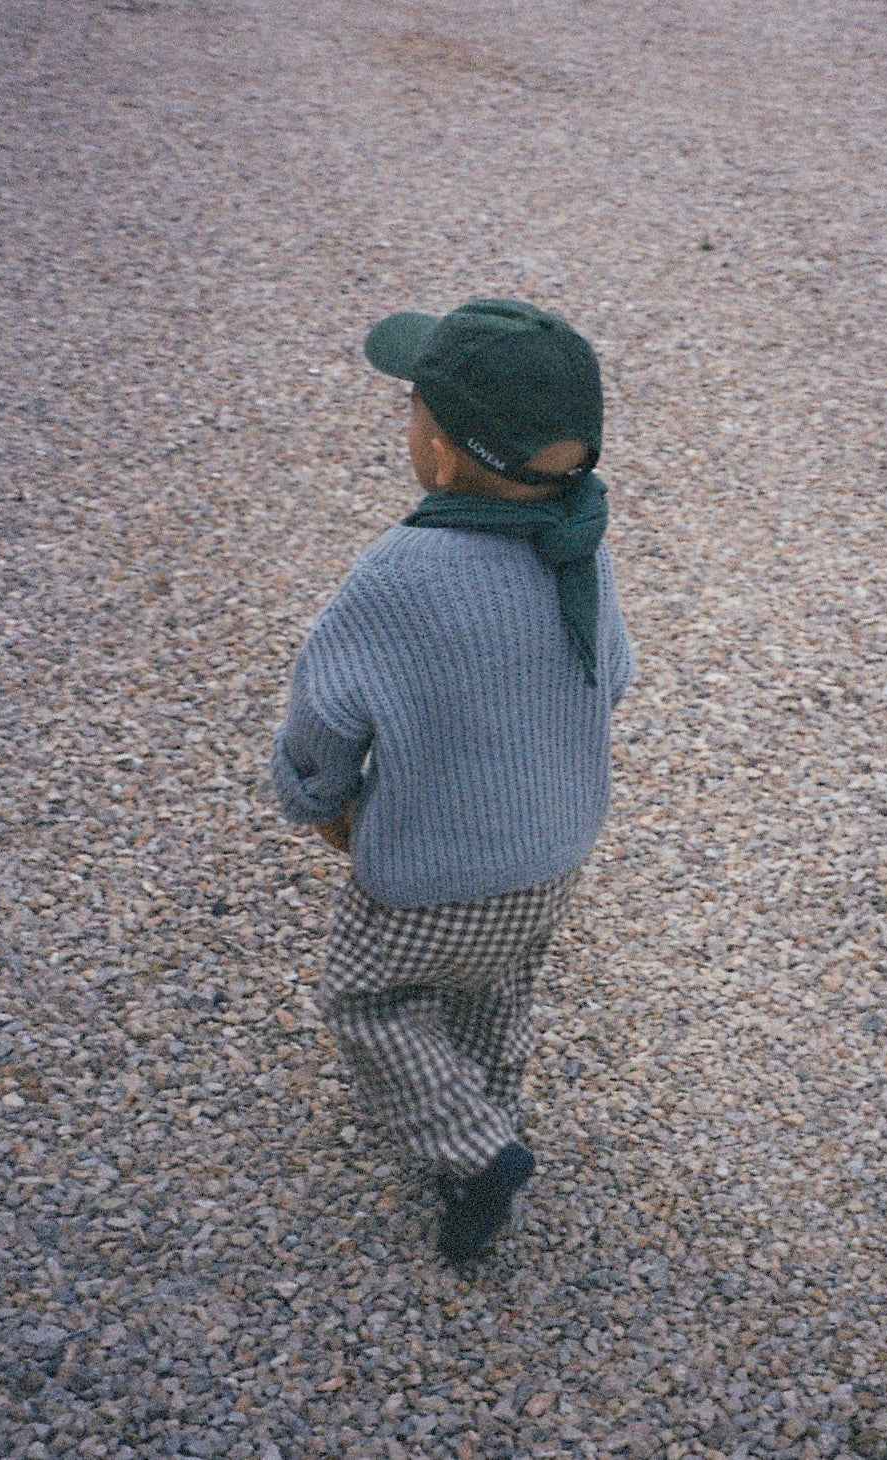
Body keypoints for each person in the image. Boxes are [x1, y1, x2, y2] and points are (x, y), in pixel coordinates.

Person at [271, 298, 633, 1262]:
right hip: (550, 855)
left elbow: (326, 716)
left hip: (427, 872)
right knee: (494, 989)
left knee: (371, 1001)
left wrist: (321, 802)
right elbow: (616, 675)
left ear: (437, 455)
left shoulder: (399, 574)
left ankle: (474, 1152)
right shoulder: (577, 543)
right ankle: (489, 1120)